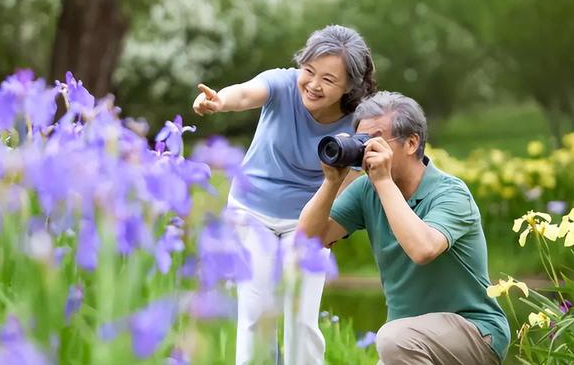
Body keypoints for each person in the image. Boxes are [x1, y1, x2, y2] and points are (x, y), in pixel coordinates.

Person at [192, 25, 376, 365]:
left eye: (328, 79)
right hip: (251, 211)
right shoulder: (283, 84)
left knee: (302, 317)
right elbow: (246, 94)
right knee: (256, 310)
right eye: (309, 71)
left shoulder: (358, 123)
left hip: (307, 222)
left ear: (350, 85)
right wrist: (219, 102)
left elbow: (347, 193)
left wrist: (329, 231)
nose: (313, 84)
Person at [297, 91, 511, 365]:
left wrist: (384, 182)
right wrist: (331, 182)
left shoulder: (451, 193)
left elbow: (423, 250)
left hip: (476, 333)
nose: (366, 149)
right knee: (396, 339)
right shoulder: (366, 190)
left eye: (375, 139)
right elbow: (307, 240)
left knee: (393, 338)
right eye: (361, 141)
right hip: (408, 340)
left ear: (411, 143)